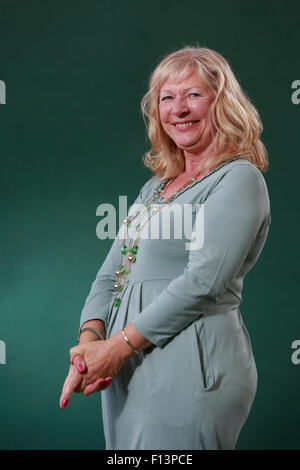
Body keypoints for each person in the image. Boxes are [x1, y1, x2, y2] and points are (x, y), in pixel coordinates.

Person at [59, 45, 271, 450]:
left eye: (194, 94)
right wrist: (91, 342)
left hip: (191, 367)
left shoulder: (238, 179)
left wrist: (116, 348)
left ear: (221, 102)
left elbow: (204, 281)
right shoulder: (155, 188)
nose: (179, 108)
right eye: (167, 98)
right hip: (127, 367)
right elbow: (112, 274)